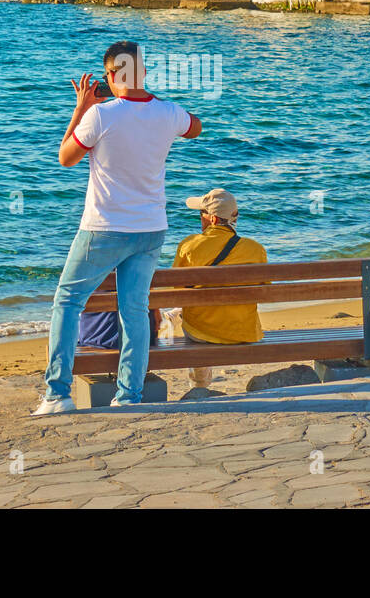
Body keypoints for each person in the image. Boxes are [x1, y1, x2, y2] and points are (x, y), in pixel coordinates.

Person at [34, 40, 202, 415]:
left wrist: (80, 109)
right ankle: (129, 396)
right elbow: (196, 128)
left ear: (110, 77)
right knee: (134, 310)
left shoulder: (100, 116)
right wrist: (155, 104)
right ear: (142, 72)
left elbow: (65, 158)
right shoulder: (169, 113)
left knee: (67, 301)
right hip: (150, 229)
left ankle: (57, 394)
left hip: (104, 227)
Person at [171, 188, 269, 388]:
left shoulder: (189, 246)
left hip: (201, 332)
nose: (200, 219)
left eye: (201, 214)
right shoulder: (255, 249)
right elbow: (265, 288)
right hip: (244, 332)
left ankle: (199, 387)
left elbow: (177, 291)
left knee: (191, 318)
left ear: (213, 220)